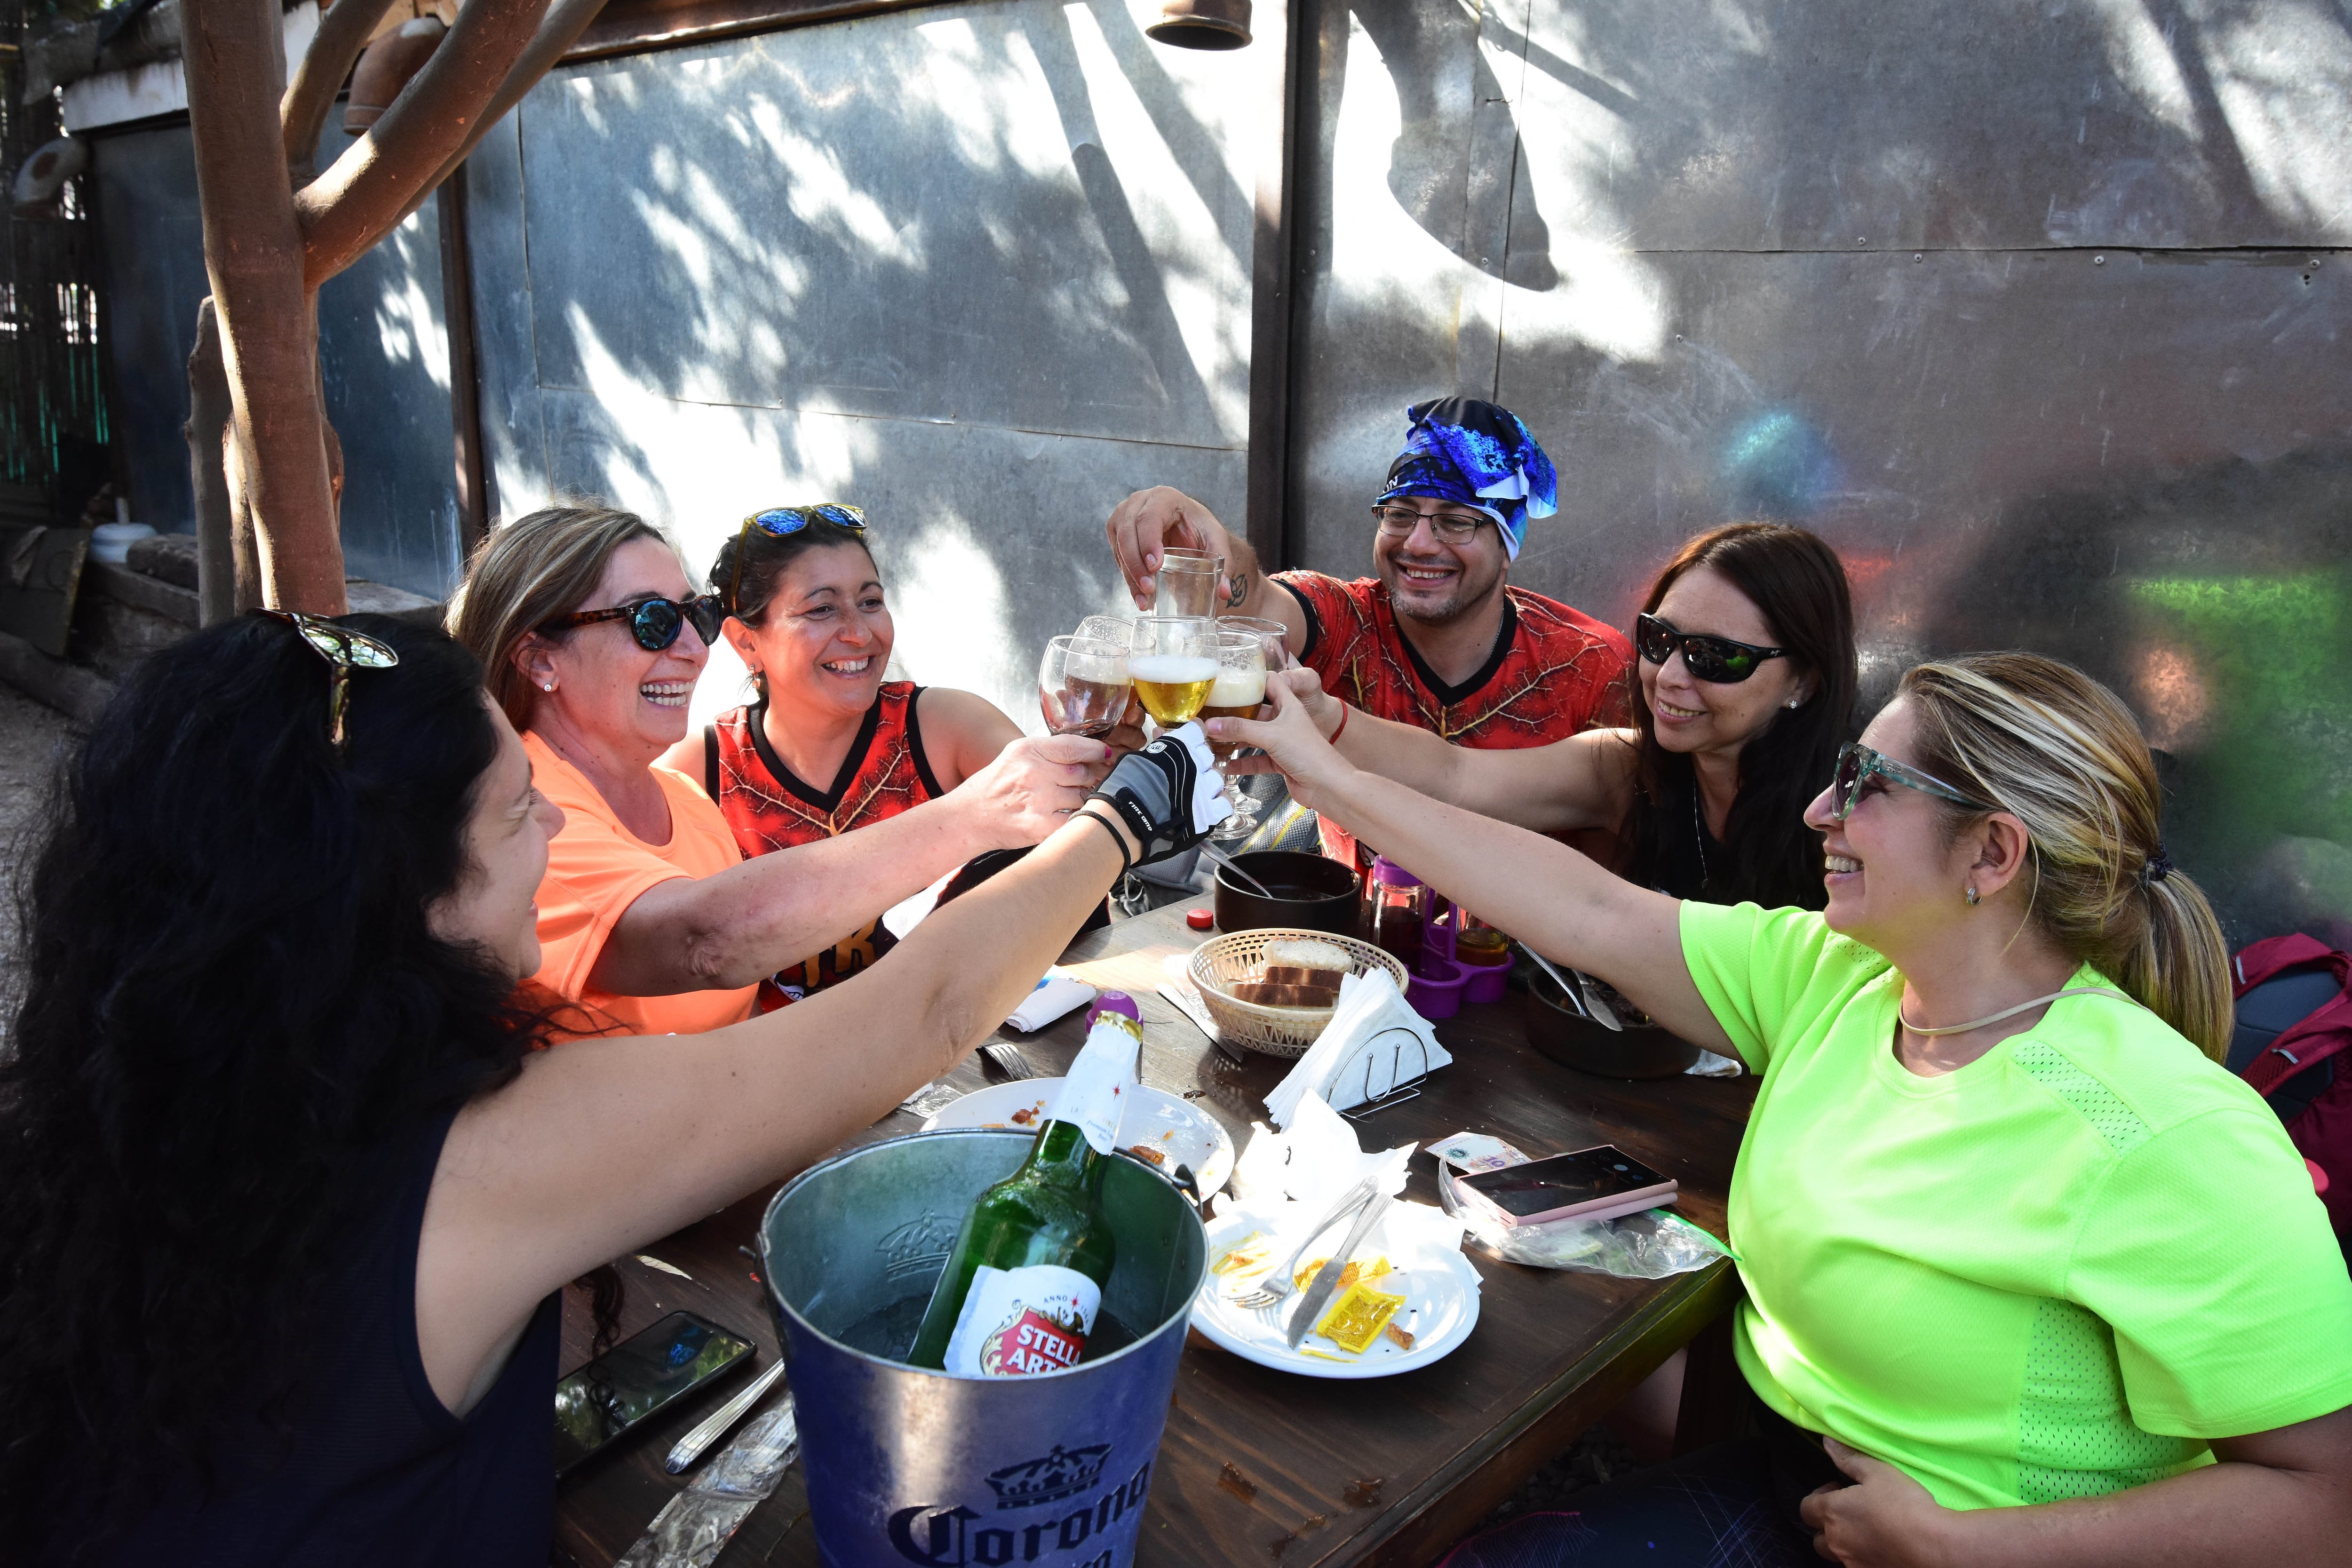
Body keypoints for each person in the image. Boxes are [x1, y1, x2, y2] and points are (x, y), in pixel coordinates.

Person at [0, 610, 1227, 1562]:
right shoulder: (479, 1147)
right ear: (392, 899)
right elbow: (921, 1014)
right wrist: (1131, 816)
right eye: (516, 811)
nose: (553, 832)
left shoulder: (132, 1098)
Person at [1232, 653, 2352, 1565]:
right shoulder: (1841, 980)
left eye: (1865, 783)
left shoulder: (2165, 1135)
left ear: (1992, 852)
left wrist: (1972, 1548)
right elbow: (1584, 909)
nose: (1820, 806)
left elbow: (2326, 1505)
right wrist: (1317, 774)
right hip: (1794, 1482)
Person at [447, 506, 1108, 1037]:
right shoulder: (519, 806)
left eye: (693, 616)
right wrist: (975, 816)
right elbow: (705, 942)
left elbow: (746, 1015)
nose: (688, 649)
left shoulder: (681, 799)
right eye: (650, 621)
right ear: (540, 661)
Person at [1103, 397, 1632, 863]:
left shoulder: (1589, 665)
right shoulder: (1345, 618)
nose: (1419, 543)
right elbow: (1257, 606)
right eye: (1399, 514)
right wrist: (1204, 539)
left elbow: (1618, 867)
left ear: (1506, 544)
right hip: (1353, 948)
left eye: (1455, 520)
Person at [1233, 522, 1855, 909]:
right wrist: (1323, 715)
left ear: (1803, 678)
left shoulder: (1851, 815)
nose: (1669, 677)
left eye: (1716, 657)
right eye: (1660, 640)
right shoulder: (1629, 767)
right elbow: (1456, 776)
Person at [648, 504, 1037, 1005]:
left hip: (959, 1060)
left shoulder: (946, 729)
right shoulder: (699, 772)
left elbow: (1073, 856)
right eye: (821, 609)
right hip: (765, 1071)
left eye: (870, 602)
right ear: (746, 642)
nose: (859, 633)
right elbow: (664, 971)